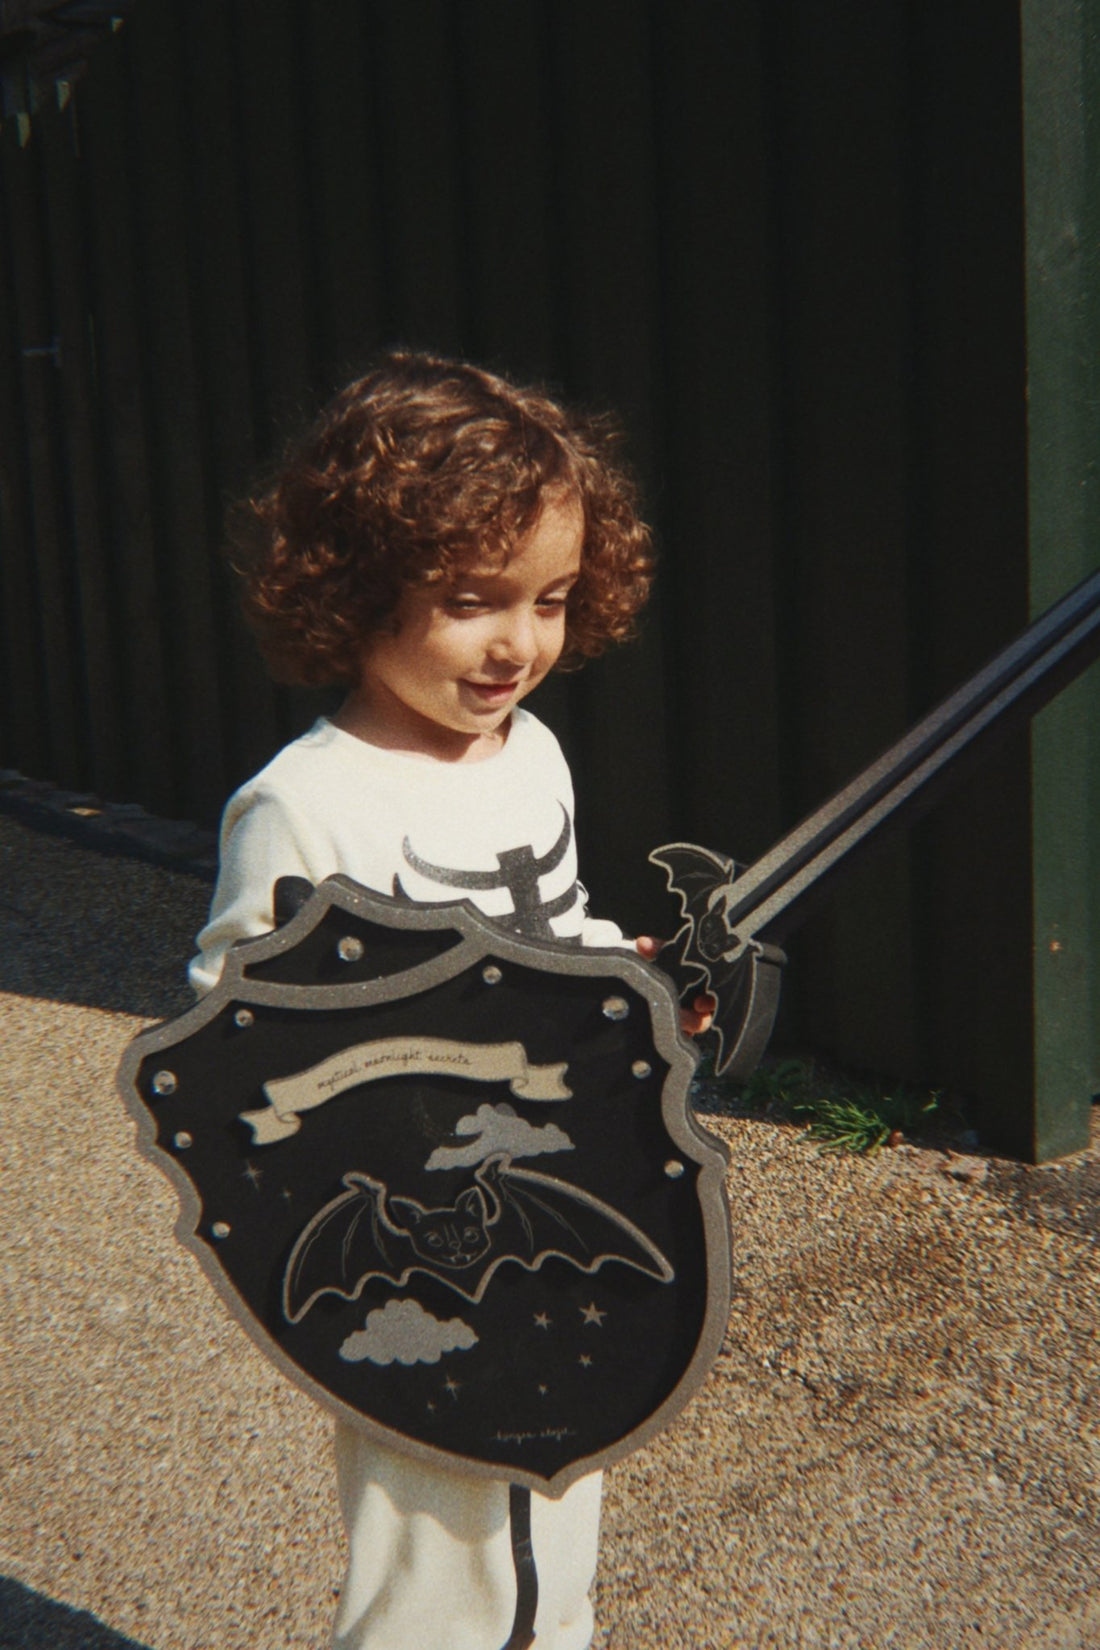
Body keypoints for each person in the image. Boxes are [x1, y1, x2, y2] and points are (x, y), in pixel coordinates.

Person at [189, 349, 708, 1650]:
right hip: (401, 1229)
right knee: (436, 1547)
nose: (518, 643)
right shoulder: (307, 802)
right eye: (474, 600)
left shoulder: (528, 754)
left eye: (550, 598)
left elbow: (555, 925)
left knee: (564, 1481)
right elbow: (229, 1028)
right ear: (357, 587)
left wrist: (630, 984)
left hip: (544, 1180)